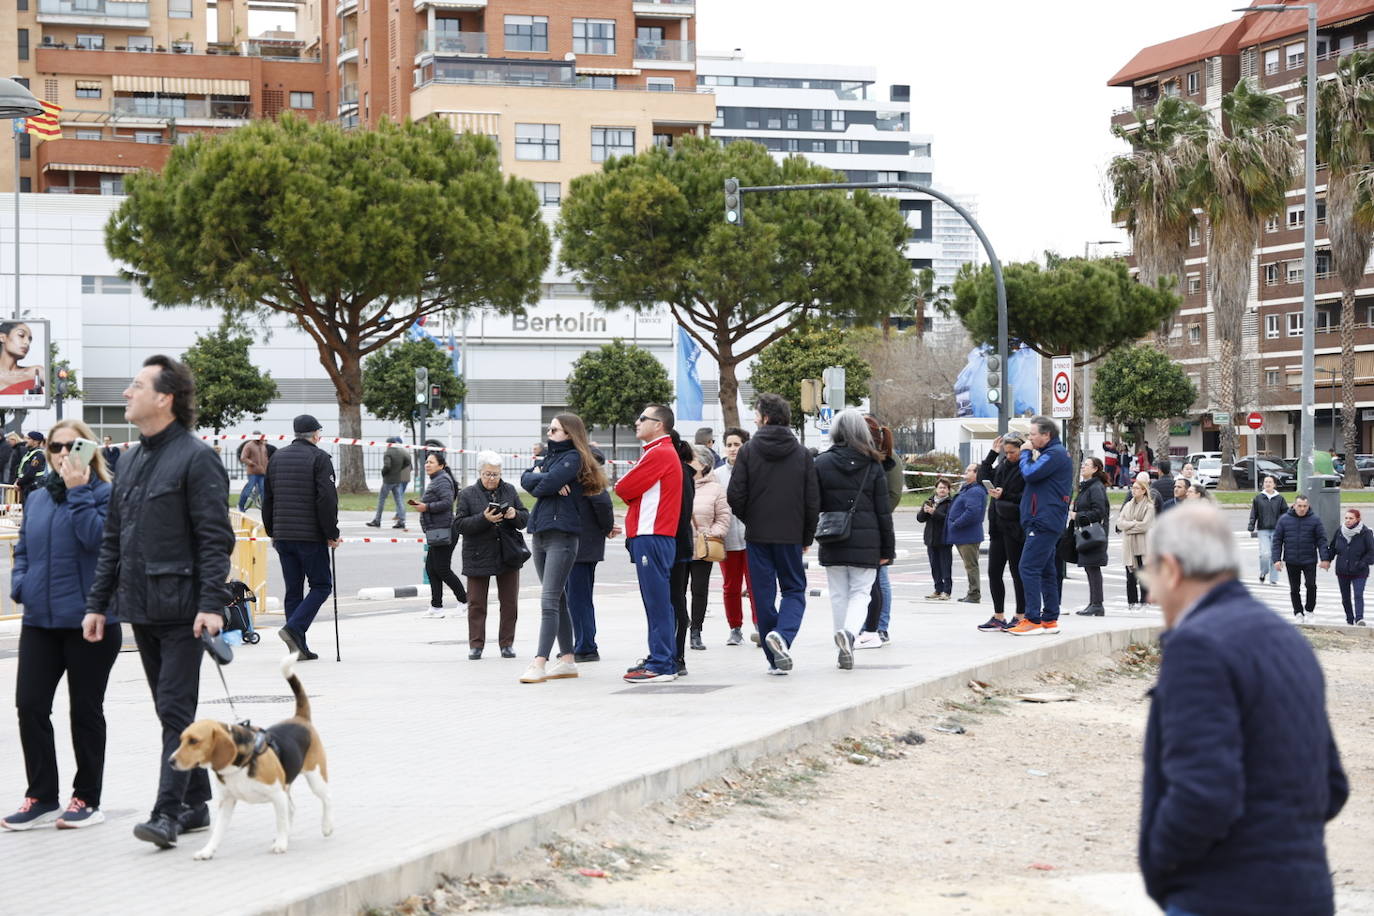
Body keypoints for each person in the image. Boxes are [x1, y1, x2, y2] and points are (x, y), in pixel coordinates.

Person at [1138, 503, 1348, 916]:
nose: (1150, 594)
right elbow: (1333, 786)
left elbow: (1203, 793)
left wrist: (1161, 865)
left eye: (1151, 578)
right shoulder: (1287, 639)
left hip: (1221, 893)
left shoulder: (1197, 645)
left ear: (1172, 569)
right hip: (1307, 892)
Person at [82, 354, 235, 850]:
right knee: (170, 711)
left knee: (173, 710)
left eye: (136, 386)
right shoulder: (131, 459)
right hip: (141, 609)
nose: (127, 393)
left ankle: (166, 814)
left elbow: (215, 539)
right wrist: (97, 604)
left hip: (186, 612)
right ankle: (195, 805)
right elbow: (113, 541)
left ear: (164, 398)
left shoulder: (197, 456)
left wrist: (212, 605)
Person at [2, 419, 116, 831]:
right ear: (47, 451)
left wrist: (78, 490)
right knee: (29, 706)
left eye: (73, 446)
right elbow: (25, 549)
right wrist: (22, 586)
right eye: (56, 447)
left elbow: (99, 543)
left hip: (91, 620)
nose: (64, 454)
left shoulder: (105, 494)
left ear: (90, 451)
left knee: (85, 712)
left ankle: (87, 798)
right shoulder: (37, 499)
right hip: (40, 620)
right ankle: (42, 796)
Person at [726, 392, 819, 675]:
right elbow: (812, 500)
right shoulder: (802, 453)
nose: (754, 419)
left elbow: (735, 494)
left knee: (762, 595)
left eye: (756, 414)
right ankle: (784, 636)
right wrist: (806, 536)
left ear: (765, 418)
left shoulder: (748, 451)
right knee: (793, 590)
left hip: (757, 535)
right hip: (790, 534)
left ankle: (773, 659)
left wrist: (751, 518)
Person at [519, 412, 605, 685]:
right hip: (541, 532)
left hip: (563, 536)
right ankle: (567, 660)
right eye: (549, 429)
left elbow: (545, 482)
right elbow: (527, 480)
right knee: (557, 600)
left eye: (555, 430)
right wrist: (543, 480)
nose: (549, 433)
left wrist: (544, 480)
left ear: (569, 433)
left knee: (549, 600)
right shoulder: (550, 458)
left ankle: (539, 662)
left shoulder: (574, 458)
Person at [813, 410, 894, 670]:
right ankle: (849, 633)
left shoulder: (821, 462)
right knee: (861, 592)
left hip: (833, 535)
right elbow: (883, 511)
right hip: (867, 538)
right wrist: (887, 549)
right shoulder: (872, 464)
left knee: (838, 593)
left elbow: (813, 504)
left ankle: (841, 640)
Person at [262, 414, 342, 656]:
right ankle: (295, 628)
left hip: (283, 535)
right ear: (316, 434)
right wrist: (332, 533)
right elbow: (326, 499)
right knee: (321, 585)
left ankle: (298, 648)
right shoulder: (319, 458)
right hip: (309, 536)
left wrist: (272, 531)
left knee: (293, 590)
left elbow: (268, 499)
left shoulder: (277, 457)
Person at [617, 404, 685, 683]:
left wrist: (633, 496)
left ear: (658, 424)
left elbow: (623, 487)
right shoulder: (661, 452)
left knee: (657, 602)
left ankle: (661, 664)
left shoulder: (659, 453)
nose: (637, 421)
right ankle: (663, 657)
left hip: (652, 536)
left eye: (642, 418)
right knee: (659, 602)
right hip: (656, 536)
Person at [456, 451, 528, 659]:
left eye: (495, 475)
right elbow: (459, 525)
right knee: (477, 603)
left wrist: (515, 514)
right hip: (477, 554)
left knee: (509, 603)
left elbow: (524, 519)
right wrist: (483, 518)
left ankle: (507, 644)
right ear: (479, 473)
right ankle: (476, 645)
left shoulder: (509, 490)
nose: (491, 479)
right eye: (487, 474)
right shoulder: (467, 494)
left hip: (508, 554)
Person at [1009, 416, 1074, 635]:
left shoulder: (1054, 454)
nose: (1029, 438)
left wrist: (1025, 453)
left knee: (1027, 567)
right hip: (1046, 518)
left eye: (1032, 434)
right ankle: (1050, 619)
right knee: (1046, 570)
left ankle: (1033, 619)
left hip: (1043, 520)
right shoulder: (1052, 454)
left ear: (1046, 435)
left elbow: (1029, 473)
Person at [856, 414, 904, 647]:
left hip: (877, 524)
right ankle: (864, 625)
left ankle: (880, 626)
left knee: (880, 579)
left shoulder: (889, 458)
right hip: (862, 526)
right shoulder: (860, 457)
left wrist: (877, 515)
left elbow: (894, 495)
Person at [564, 450, 615, 663]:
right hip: (580, 548)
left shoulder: (591, 482)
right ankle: (582, 644)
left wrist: (608, 527)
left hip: (583, 549)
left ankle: (586, 647)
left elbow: (604, 507)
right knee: (576, 599)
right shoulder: (583, 481)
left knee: (579, 600)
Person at [975, 434, 1027, 632]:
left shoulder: (1026, 467)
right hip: (997, 525)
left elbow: (1025, 496)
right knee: (994, 572)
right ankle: (999, 616)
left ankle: (1020, 614)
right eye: (1006, 452)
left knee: (1017, 572)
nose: (1009, 455)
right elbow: (982, 479)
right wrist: (992, 455)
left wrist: (1004, 494)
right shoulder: (1004, 464)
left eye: (1012, 452)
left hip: (1014, 526)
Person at [411, 449, 467, 620]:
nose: (427, 464)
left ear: (441, 466)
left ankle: (465, 601)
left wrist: (425, 507)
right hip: (437, 530)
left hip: (446, 530)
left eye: (431, 462)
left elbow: (447, 502)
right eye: (426, 462)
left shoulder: (442, 480)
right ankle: (436, 607)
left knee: (441, 568)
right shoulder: (437, 479)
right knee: (431, 568)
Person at [713, 427, 756, 646]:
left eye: (736, 444)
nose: (732, 449)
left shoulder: (755, 470)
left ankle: (760, 625)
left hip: (752, 538)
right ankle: (735, 628)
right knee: (731, 586)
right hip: (727, 539)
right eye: (728, 445)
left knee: (755, 584)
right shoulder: (717, 475)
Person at [687, 444, 731, 652]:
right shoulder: (679, 482)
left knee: (699, 590)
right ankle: (681, 624)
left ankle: (696, 631)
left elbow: (723, 517)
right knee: (676, 591)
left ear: (703, 464)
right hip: (680, 544)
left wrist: (712, 533)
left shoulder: (716, 488)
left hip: (703, 546)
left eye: (692, 458)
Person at [1272, 495, 1331, 621]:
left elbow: (1322, 540)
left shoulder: (1315, 520)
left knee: (1311, 585)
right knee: (1294, 588)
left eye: (1305, 506)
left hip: (1309, 559)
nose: (1302, 509)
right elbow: (1277, 541)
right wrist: (1276, 559)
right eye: (1299, 506)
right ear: (1294, 506)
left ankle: (1309, 610)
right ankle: (1298, 612)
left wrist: (1324, 558)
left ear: (1308, 506)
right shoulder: (1284, 520)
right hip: (1292, 560)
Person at [668, 434, 697, 675]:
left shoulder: (680, 472)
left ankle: (677, 656)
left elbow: (681, 512)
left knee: (675, 600)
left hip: (674, 545)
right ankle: (673, 654)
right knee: (674, 599)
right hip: (677, 543)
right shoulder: (682, 471)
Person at [1071, 457, 1112, 616]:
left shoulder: (1095, 488)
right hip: (1088, 534)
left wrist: (1077, 516)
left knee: (1093, 567)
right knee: (1090, 567)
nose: (1083, 467)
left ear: (1095, 469)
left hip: (1094, 535)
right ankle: (1094, 602)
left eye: (1086, 465)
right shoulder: (1088, 487)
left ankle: (1097, 604)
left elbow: (1098, 512)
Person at [945, 463, 987, 604]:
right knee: (969, 565)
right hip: (962, 534)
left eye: (969, 470)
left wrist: (957, 523)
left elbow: (973, 512)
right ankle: (971, 592)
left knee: (971, 565)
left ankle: (974, 594)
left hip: (968, 535)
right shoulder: (967, 489)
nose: (966, 472)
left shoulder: (975, 491)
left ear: (976, 474)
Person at [1329, 508, 1374, 627]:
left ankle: (1359, 619)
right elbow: (1333, 548)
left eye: (1351, 518)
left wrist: (1362, 563)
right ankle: (1349, 619)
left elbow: (1371, 551)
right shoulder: (1340, 531)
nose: (1348, 521)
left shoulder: (1366, 532)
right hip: (1342, 570)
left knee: (1358, 594)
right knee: (1345, 598)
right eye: (1346, 518)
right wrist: (1327, 560)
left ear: (1358, 519)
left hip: (1360, 571)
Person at [1117, 479, 1156, 612]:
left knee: (1143, 573)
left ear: (1144, 490)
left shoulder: (1149, 506)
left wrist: (1129, 526)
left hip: (1142, 545)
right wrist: (1133, 524)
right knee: (1130, 575)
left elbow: (1145, 525)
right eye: (1133, 488)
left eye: (1137, 488)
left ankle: (1145, 601)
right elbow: (1119, 523)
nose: (1134, 490)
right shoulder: (1128, 505)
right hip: (1129, 545)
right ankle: (1131, 601)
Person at [918, 479, 954, 600]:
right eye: (940, 487)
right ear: (936, 489)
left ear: (948, 490)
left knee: (945, 565)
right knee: (934, 566)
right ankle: (938, 589)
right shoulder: (929, 501)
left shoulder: (950, 503)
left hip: (944, 539)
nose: (942, 490)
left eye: (945, 488)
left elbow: (948, 519)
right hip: (930, 539)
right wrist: (925, 511)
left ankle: (947, 591)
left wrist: (934, 512)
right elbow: (920, 518)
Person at [1248, 475, 1287, 586]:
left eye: (1270, 482)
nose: (1268, 484)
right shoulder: (1258, 498)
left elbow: (1285, 514)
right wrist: (1251, 525)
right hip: (1263, 529)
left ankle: (1273, 578)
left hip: (1277, 530)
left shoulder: (1280, 498)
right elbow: (1254, 513)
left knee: (1275, 554)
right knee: (1265, 554)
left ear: (1274, 484)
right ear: (1263, 484)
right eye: (1266, 482)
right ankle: (1263, 572)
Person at [367, 436, 412, 530]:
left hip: (388, 480)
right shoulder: (401, 452)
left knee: (381, 500)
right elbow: (408, 461)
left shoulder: (388, 453)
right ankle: (402, 521)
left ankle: (377, 520)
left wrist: (383, 473)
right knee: (399, 500)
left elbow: (387, 465)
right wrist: (400, 469)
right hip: (398, 479)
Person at [0, 321, 45, 396]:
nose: (27, 342)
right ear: (2, 337)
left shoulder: (36, 372)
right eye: (21, 335)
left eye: (30, 339)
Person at [237, 434, 268, 512]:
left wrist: (267, 467)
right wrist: (251, 463)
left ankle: (264, 508)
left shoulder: (263, 446)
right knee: (248, 489)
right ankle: (241, 505)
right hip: (252, 472)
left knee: (263, 491)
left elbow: (265, 458)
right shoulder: (249, 445)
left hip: (262, 472)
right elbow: (243, 457)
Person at [16, 431, 47, 503]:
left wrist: (18, 483)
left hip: (33, 487)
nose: (26, 440)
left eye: (29, 438)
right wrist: (18, 480)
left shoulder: (38, 455)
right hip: (27, 486)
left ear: (35, 442)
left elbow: (30, 473)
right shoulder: (29, 453)